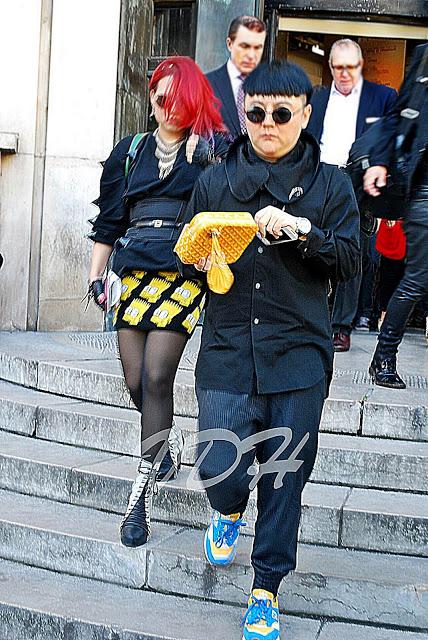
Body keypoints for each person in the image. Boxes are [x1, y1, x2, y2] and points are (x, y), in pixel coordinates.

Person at [183, 61, 360, 640]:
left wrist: (305, 232)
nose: (268, 124)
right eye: (256, 112)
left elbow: (354, 262)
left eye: (282, 113)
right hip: (228, 350)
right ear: (244, 112)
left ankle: (265, 590)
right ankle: (229, 508)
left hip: (299, 356)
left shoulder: (331, 185)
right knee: (218, 469)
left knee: (285, 478)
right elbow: (187, 252)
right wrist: (202, 261)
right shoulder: (215, 178)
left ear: (305, 115)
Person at [87, 56, 228, 547]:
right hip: (132, 271)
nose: (166, 107)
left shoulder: (210, 150)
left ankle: (139, 497)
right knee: (133, 379)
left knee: (155, 376)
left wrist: (208, 151)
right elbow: (108, 222)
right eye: (158, 97)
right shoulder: (129, 151)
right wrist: (96, 277)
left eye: (176, 98)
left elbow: (227, 208)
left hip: (182, 273)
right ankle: (162, 451)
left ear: (191, 100)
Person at [308, 38, 396, 352]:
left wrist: (381, 170)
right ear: (330, 67)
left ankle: (340, 326)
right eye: (338, 67)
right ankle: (311, 317)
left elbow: (391, 140)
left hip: (357, 181)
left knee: (351, 251)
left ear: (361, 66)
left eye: (351, 67)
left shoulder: (383, 97)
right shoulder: (315, 99)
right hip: (320, 179)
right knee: (312, 246)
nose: (345, 74)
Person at [364, 43, 428, 388]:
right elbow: (396, 117)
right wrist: (379, 161)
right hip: (425, 190)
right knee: (418, 277)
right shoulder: (425, 60)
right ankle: (384, 357)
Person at [206, 15, 266, 139]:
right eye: (245, 46)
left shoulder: (270, 87)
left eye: (257, 48)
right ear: (229, 44)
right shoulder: (206, 85)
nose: (251, 55)